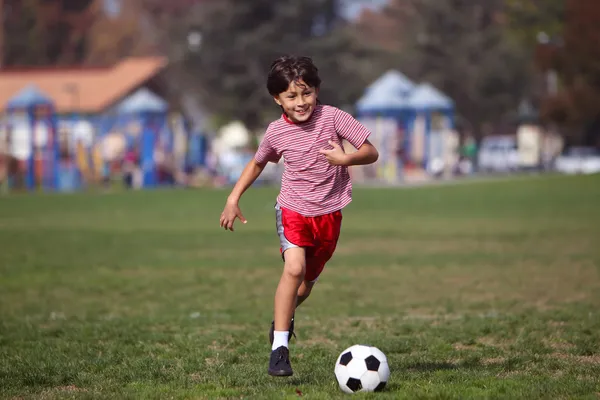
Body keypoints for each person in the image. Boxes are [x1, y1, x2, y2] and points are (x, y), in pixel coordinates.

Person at [219, 55, 379, 377]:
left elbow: (371, 151)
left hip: (329, 215)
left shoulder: (333, 118)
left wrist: (344, 159)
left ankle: (283, 318)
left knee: (305, 285)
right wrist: (233, 198)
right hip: (292, 210)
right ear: (277, 98)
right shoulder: (276, 132)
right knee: (293, 269)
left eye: (306, 93)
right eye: (291, 96)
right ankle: (280, 349)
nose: (300, 102)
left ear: (317, 91)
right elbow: (257, 163)